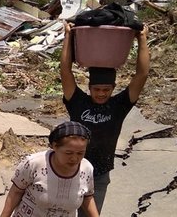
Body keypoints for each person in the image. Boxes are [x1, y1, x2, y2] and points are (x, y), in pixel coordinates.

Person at [60, 22, 150, 215]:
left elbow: (142, 74)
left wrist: (142, 39)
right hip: (70, 169)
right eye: (97, 89)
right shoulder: (78, 101)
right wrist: (68, 37)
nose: (101, 94)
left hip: (99, 175)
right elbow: (65, 72)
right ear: (90, 87)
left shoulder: (119, 105)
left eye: (106, 90)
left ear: (113, 88)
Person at [0, 121, 99, 217]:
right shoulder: (33, 163)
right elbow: (16, 192)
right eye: (68, 153)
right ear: (54, 146)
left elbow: (87, 197)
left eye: (80, 153)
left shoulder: (86, 169)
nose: (74, 158)